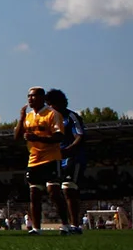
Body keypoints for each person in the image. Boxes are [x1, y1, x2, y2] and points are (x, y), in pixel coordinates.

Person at [14, 87, 67, 235]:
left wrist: (37, 138)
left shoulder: (52, 114)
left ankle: (66, 225)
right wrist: (21, 118)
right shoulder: (28, 116)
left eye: (34, 96)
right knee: (34, 194)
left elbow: (59, 137)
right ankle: (36, 228)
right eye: (28, 96)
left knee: (54, 192)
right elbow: (17, 137)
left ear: (42, 98)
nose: (30, 99)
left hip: (51, 157)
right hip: (34, 160)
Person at [46, 89, 86, 235]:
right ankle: (65, 224)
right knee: (52, 190)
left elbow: (79, 136)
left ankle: (75, 225)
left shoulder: (71, 117)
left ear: (61, 103)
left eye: (52, 104)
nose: (50, 108)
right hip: (56, 158)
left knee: (68, 189)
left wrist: (68, 150)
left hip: (72, 157)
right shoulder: (50, 119)